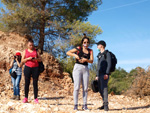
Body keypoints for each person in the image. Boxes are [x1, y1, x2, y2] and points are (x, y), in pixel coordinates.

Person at [66, 34, 93, 110]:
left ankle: (85, 105)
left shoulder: (90, 51)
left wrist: (86, 60)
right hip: (77, 67)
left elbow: (91, 60)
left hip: (85, 68)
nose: (86, 44)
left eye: (87, 42)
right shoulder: (78, 48)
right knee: (77, 87)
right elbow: (68, 52)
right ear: (82, 43)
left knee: (85, 88)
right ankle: (75, 105)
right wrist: (75, 56)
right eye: (84, 42)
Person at [21, 38, 42, 104]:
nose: (31, 46)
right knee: (27, 83)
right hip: (27, 67)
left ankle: (36, 98)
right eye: (30, 45)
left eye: (32, 45)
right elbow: (22, 60)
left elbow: (40, 59)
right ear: (27, 45)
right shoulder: (25, 51)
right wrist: (27, 59)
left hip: (35, 68)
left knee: (35, 83)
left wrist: (35, 59)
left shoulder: (36, 51)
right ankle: (26, 98)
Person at [95, 40, 111, 111]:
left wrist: (107, 73)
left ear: (101, 45)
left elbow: (109, 64)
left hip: (104, 74)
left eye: (98, 45)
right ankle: (103, 103)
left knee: (104, 89)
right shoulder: (99, 55)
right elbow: (98, 66)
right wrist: (97, 75)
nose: (97, 46)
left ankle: (106, 106)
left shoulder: (107, 54)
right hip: (99, 75)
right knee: (100, 89)